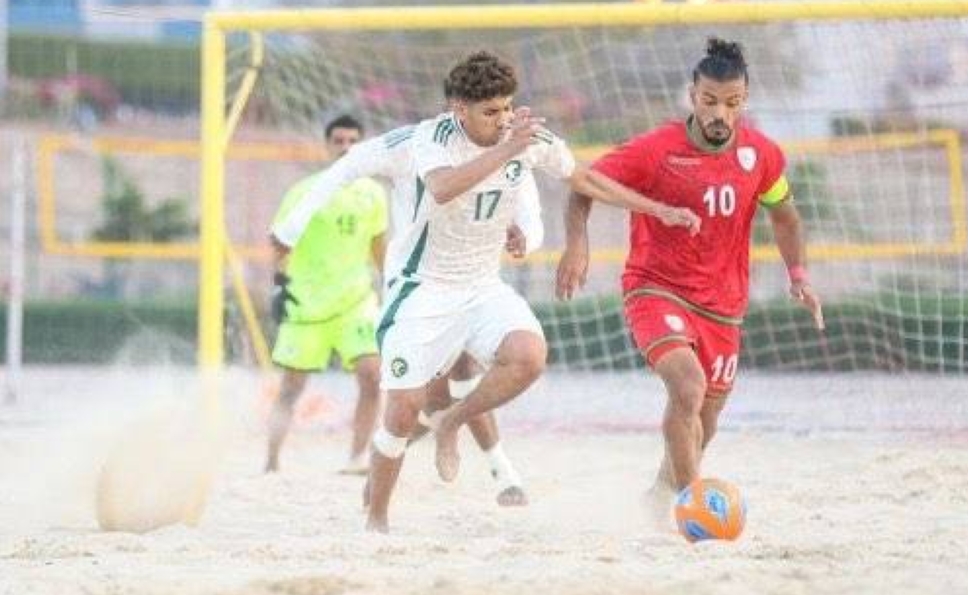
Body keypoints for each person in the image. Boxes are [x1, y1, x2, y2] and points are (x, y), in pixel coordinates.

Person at [272, 51, 694, 532]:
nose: (503, 118)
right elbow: (442, 187)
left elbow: (585, 179)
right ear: (459, 109)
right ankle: (376, 520)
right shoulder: (432, 139)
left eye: (507, 107)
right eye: (491, 111)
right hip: (420, 291)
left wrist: (657, 209)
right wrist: (289, 229)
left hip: (480, 287)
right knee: (403, 410)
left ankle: (452, 422)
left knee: (529, 355)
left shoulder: (522, 138)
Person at [557, 38, 824, 502]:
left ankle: (662, 494)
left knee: (706, 420)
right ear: (692, 96)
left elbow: (785, 217)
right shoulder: (655, 149)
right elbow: (583, 183)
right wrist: (577, 244)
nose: (721, 113)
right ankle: (694, 505)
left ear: (745, 100)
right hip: (656, 289)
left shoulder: (760, 155)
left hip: (723, 304)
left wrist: (798, 275)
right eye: (710, 101)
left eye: (732, 103)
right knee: (687, 386)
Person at [266, 114, 387, 475]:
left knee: (372, 376)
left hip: (355, 303)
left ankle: (357, 458)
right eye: (338, 141)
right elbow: (280, 242)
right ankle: (271, 462)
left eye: (353, 141)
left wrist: (393, 286)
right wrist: (278, 284)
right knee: (291, 388)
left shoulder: (373, 194)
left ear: (362, 147)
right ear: (327, 145)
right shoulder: (304, 191)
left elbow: (379, 246)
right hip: (307, 305)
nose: (345, 147)